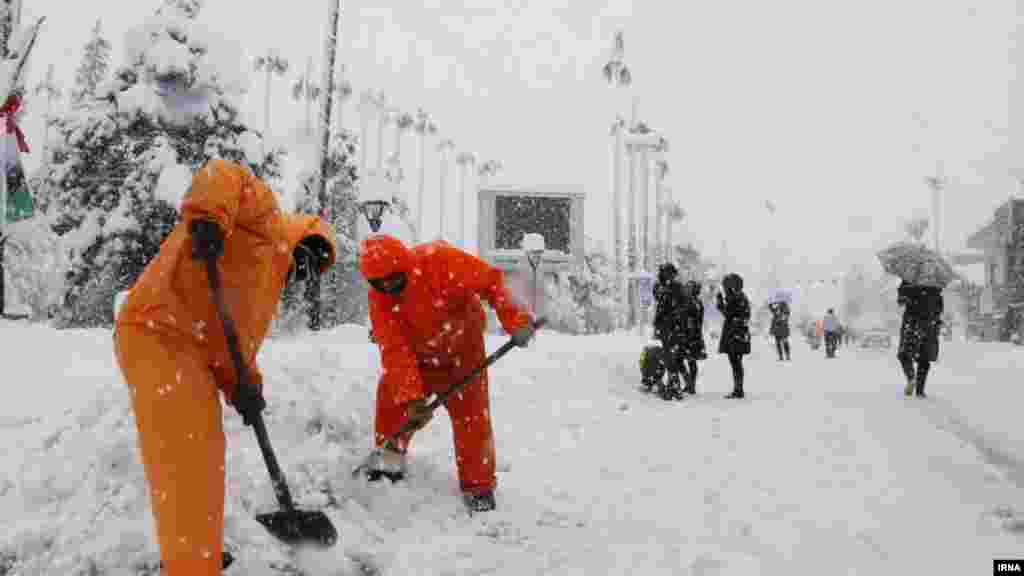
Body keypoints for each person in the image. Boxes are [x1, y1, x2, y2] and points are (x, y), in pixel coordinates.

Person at [114, 159, 337, 575]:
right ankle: (191, 566)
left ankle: (199, 554)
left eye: (312, 271)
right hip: (156, 328)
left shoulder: (265, 295)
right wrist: (208, 218)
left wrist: (245, 390)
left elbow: (233, 348)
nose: (303, 272)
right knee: (185, 454)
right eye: (307, 256)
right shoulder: (265, 221)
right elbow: (224, 173)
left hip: (189, 347)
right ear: (299, 236)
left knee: (206, 452)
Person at [358, 234, 535, 512]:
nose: (389, 287)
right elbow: (393, 348)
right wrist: (412, 398)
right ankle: (388, 462)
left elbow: (492, 281)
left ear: (405, 265)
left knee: (472, 418)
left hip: (463, 352)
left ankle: (479, 487)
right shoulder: (379, 299)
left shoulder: (440, 260)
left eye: (395, 279)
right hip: (419, 359)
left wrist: (516, 318)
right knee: (391, 400)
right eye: (380, 283)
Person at [897, 280, 944, 397]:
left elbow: (901, 301)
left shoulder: (909, 281)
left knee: (904, 354)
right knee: (924, 359)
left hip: (912, 324)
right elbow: (939, 310)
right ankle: (920, 390)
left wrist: (907, 295)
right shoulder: (935, 286)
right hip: (929, 326)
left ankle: (911, 377)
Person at [651, 263, 686, 400]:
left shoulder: (676, 287)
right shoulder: (661, 286)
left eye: (670, 273)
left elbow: (681, 306)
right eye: (665, 273)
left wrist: (675, 317)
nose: (668, 276)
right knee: (669, 356)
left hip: (672, 327)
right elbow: (658, 296)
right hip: (666, 327)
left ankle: (675, 387)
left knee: (670, 357)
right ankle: (673, 386)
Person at [716, 273, 751, 399]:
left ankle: (738, 389)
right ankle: (738, 388)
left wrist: (720, 303)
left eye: (726, 286)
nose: (725, 288)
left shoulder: (737, 298)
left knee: (735, 362)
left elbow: (728, 313)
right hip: (738, 333)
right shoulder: (740, 297)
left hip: (735, 333)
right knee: (736, 361)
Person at [680, 280, 707, 394]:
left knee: (683, 360)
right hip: (693, 335)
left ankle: (689, 384)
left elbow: (690, 320)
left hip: (690, 335)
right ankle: (690, 384)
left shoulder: (692, 303)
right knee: (689, 361)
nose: (686, 289)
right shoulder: (696, 302)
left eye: (688, 288)